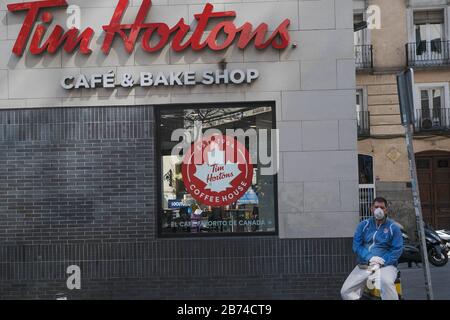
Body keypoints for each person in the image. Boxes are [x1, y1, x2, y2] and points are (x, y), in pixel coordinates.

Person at [341, 197, 403, 300]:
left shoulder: (393, 227)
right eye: (376, 207)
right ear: (371, 209)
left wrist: (381, 261)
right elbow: (356, 245)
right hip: (365, 265)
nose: (379, 210)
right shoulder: (363, 225)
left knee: (386, 282)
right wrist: (370, 258)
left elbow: (397, 250)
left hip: (385, 266)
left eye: (382, 207)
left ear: (386, 210)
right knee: (346, 291)